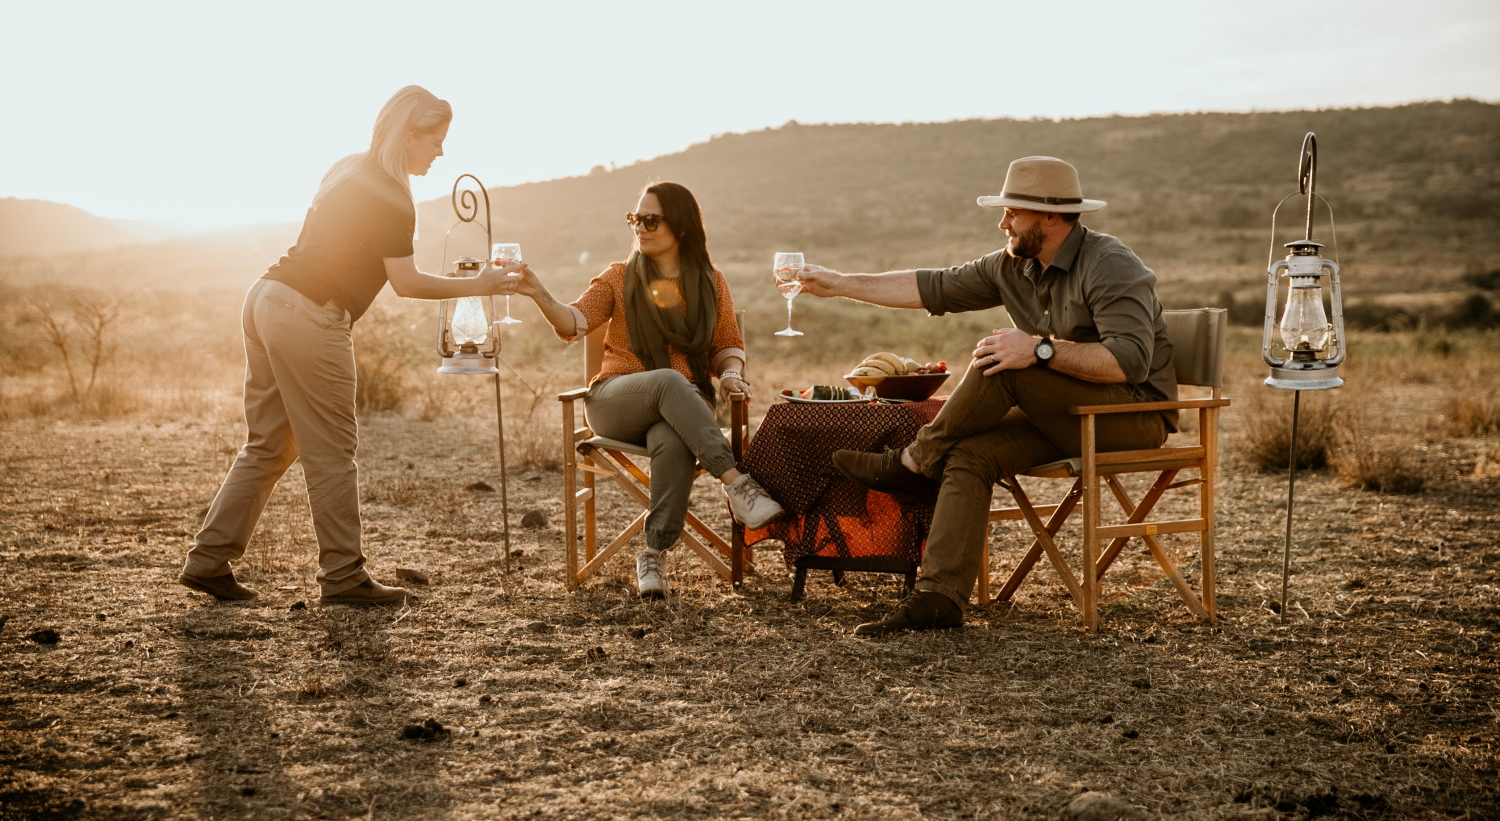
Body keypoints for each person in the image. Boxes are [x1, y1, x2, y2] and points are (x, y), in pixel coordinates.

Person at [799, 156, 1176, 636]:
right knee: (971, 453)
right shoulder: (1012, 266)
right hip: (1063, 416)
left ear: (1050, 216)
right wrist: (837, 283)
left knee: (1005, 360)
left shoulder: (1110, 263)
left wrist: (1038, 349)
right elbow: (930, 286)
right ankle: (938, 600)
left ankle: (913, 463)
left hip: (1131, 416)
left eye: (1012, 213)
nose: (1002, 223)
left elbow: (1128, 362)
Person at [180, 86, 514, 606]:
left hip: (266, 298)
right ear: (408, 134)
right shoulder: (392, 196)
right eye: (436, 140)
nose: (441, 152)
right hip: (310, 315)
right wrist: (481, 284)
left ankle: (208, 560)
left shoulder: (346, 168)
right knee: (332, 451)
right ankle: (344, 577)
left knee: (270, 444)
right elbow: (407, 283)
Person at [503, 181, 783, 599]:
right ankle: (736, 482)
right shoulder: (619, 277)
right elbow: (573, 322)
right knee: (671, 380)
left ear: (682, 227)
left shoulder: (710, 282)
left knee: (673, 441)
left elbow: (727, 345)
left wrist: (729, 374)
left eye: (651, 219)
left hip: (677, 411)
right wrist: (537, 292)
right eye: (635, 218)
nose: (641, 227)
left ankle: (652, 554)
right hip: (615, 402)